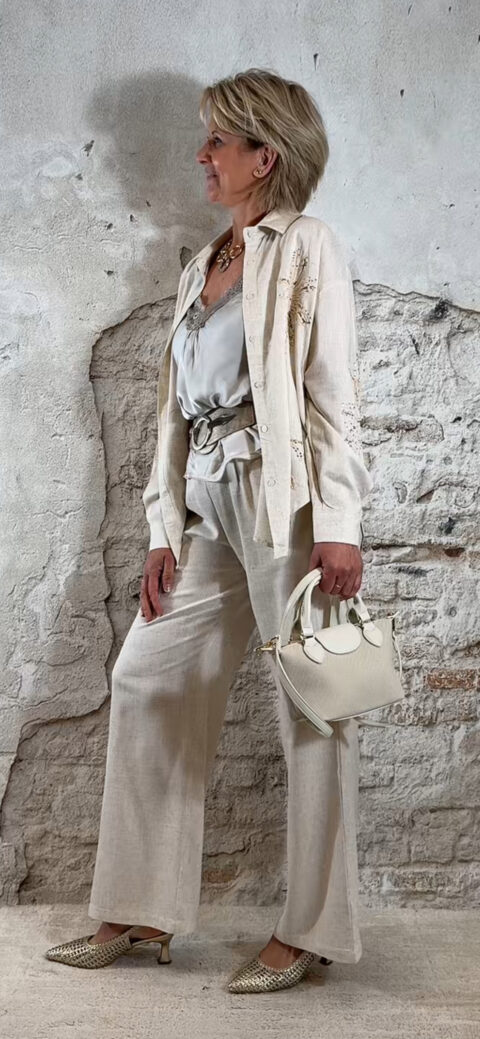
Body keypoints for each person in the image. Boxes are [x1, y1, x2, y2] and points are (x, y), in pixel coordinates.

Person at [45, 67, 374, 994]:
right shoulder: (203, 264)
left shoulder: (307, 247)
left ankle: (310, 930)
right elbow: (175, 412)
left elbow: (334, 397)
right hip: (207, 500)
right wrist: (165, 529)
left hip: (288, 500)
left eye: (218, 141)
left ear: (266, 156)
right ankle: (141, 908)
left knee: (320, 700)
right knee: (147, 676)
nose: (202, 155)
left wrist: (339, 523)